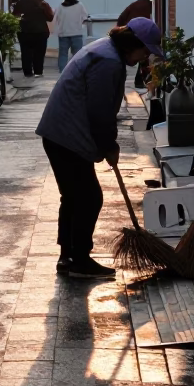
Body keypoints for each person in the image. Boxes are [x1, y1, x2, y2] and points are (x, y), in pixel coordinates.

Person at [36, 17, 163, 278]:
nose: (145, 57)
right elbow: (100, 112)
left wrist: (105, 144)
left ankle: (68, 257)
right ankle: (79, 260)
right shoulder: (109, 62)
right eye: (145, 50)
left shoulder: (105, 48)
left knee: (73, 197)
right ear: (134, 44)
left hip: (59, 133)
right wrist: (108, 145)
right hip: (67, 135)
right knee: (89, 197)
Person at [12, 0, 54, 78]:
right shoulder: (43, 3)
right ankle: (38, 72)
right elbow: (50, 17)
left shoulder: (20, 3)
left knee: (26, 53)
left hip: (24, 32)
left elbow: (14, 17)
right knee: (39, 53)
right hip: (41, 32)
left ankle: (27, 72)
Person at [53, 0, 89, 73]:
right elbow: (85, 18)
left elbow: (56, 18)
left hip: (63, 34)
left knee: (63, 55)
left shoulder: (61, 6)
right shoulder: (80, 5)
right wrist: (81, 26)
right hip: (76, 33)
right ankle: (77, 71)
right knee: (77, 55)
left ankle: (62, 72)